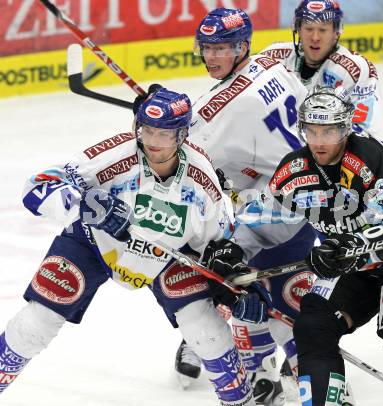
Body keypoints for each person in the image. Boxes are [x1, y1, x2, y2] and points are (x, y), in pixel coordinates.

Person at [0, 89, 273, 406]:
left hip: (166, 257)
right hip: (93, 244)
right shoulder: (114, 154)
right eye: (147, 130)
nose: (153, 141)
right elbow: (38, 186)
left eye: (164, 133)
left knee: (204, 327)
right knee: (36, 323)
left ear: (182, 134)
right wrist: (85, 202)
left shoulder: (202, 179)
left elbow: (221, 246)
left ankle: (239, 400)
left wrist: (232, 287)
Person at [218, 85, 383, 405]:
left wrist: (352, 243)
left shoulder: (372, 157)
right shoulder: (295, 171)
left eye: (330, 131)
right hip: (354, 267)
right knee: (313, 326)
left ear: (346, 128)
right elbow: (263, 223)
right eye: (312, 130)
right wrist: (234, 251)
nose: (320, 141)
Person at [174, 7, 317, 404]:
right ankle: (297, 369)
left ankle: (273, 369)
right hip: (313, 194)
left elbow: (178, 160)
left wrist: (161, 120)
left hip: (276, 210)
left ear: (243, 46)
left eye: (224, 48)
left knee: (222, 274)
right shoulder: (275, 62)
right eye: (207, 48)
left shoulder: (215, 113)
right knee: (282, 291)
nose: (213, 57)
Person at [261, 0, 383, 137]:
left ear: (336, 33)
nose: (315, 37)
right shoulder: (274, 57)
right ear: (298, 30)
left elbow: (364, 133)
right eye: (308, 29)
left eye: (323, 30)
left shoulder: (355, 70)